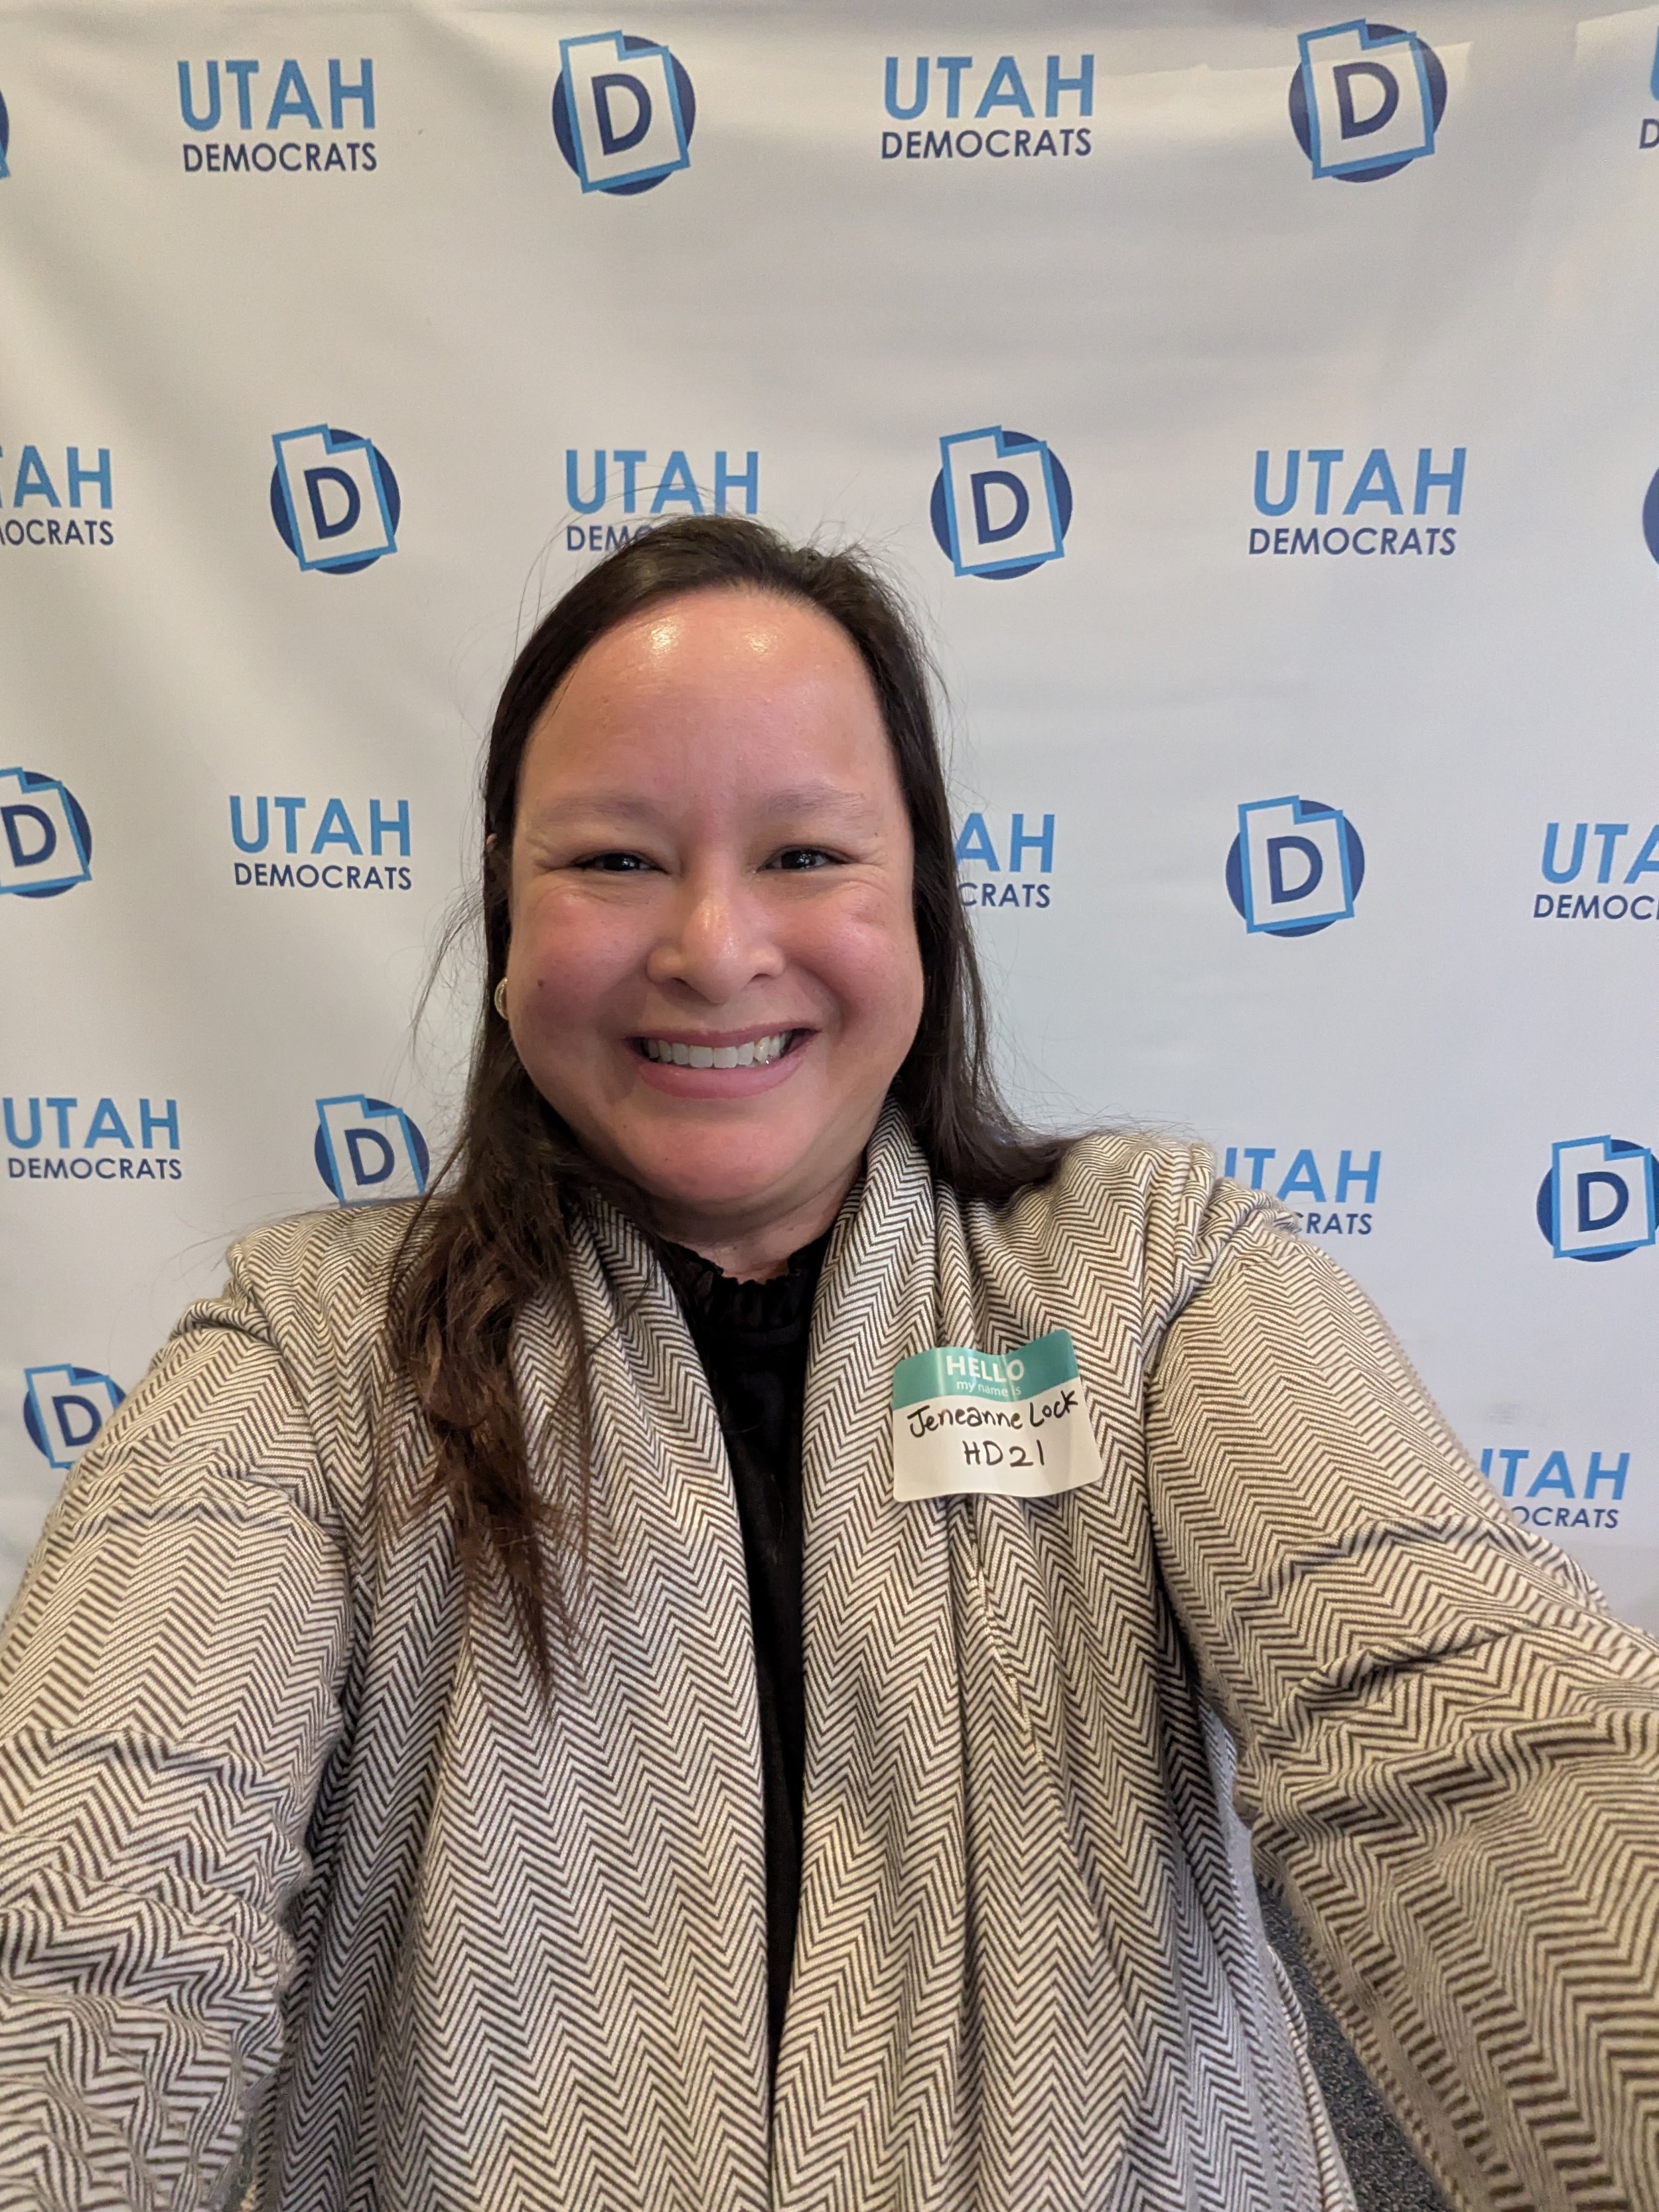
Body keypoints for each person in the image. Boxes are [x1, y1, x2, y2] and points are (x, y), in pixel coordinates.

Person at [1, 515, 1656, 2212]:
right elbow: (98, 1892)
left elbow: (1450, 1730)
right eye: (614, 860)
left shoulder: (1160, 1274)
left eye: (803, 854)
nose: (715, 947)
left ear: (920, 904)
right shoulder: (310, 1347)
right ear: (504, 916)